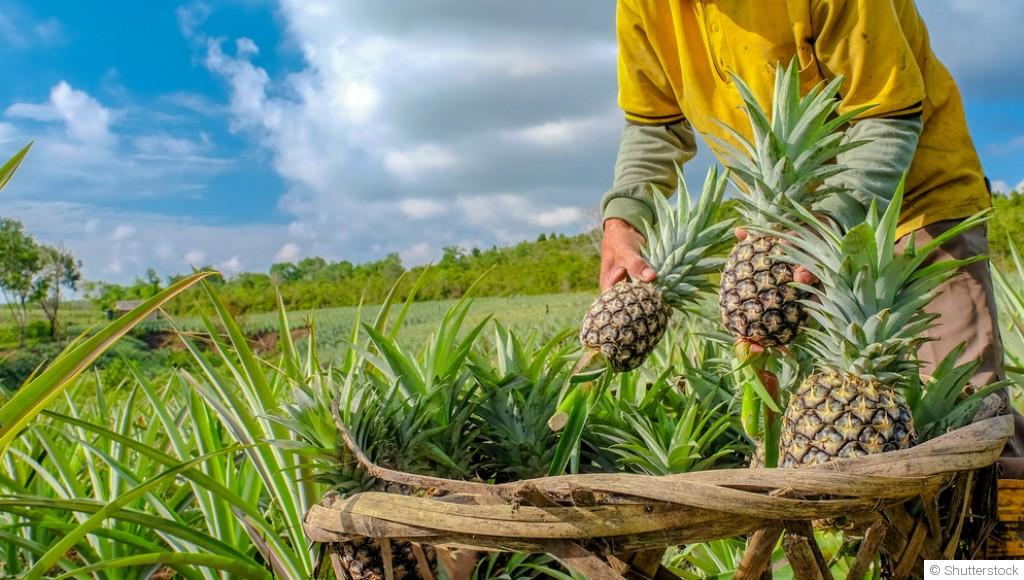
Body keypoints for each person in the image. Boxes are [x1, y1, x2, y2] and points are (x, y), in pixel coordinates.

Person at [599, 0, 1024, 477]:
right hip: (789, 233)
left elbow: (888, 114)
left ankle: (993, 550)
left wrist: (825, 222)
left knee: (970, 424)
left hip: (918, 206)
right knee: (847, 435)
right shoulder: (642, 6)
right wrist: (624, 220)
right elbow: (654, 124)